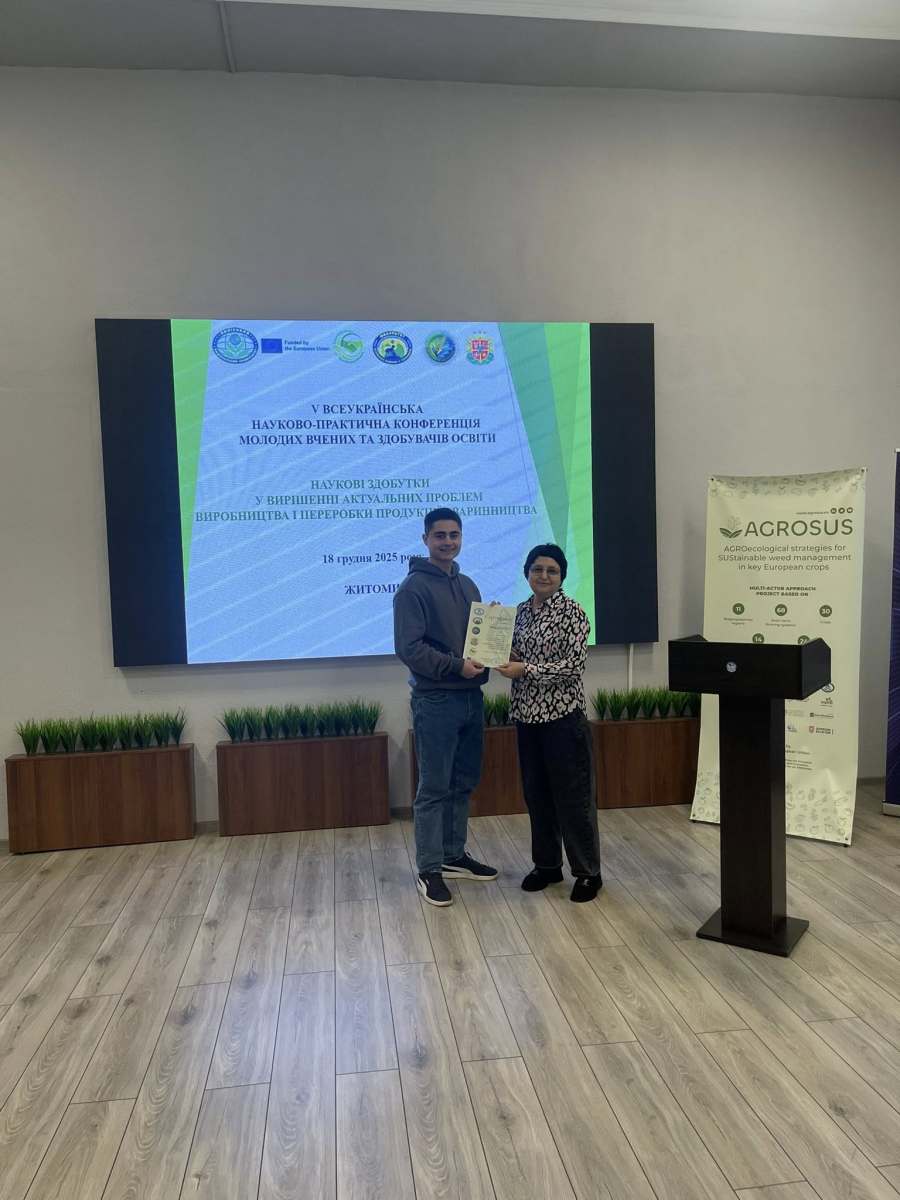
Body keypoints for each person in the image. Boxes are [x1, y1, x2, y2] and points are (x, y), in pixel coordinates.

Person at [393, 508, 498, 907]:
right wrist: (456, 666)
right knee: (434, 787)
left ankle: (453, 856)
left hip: (471, 697)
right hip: (435, 700)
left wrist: (494, 630)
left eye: (454, 534)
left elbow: (475, 643)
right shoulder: (412, 589)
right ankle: (429, 869)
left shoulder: (468, 585)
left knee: (463, 781)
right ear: (425, 539)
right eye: (440, 535)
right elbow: (410, 649)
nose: (448, 541)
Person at [496, 543, 603, 902]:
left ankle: (588, 873)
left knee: (573, 798)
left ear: (562, 576)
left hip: (563, 719)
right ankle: (546, 866)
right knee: (537, 796)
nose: (543, 576)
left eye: (552, 570)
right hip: (527, 718)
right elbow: (514, 655)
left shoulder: (573, 612)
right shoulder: (520, 613)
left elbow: (573, 666)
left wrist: (526, 669)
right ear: (527, 573)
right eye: (537, 569)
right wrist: (493, 635)